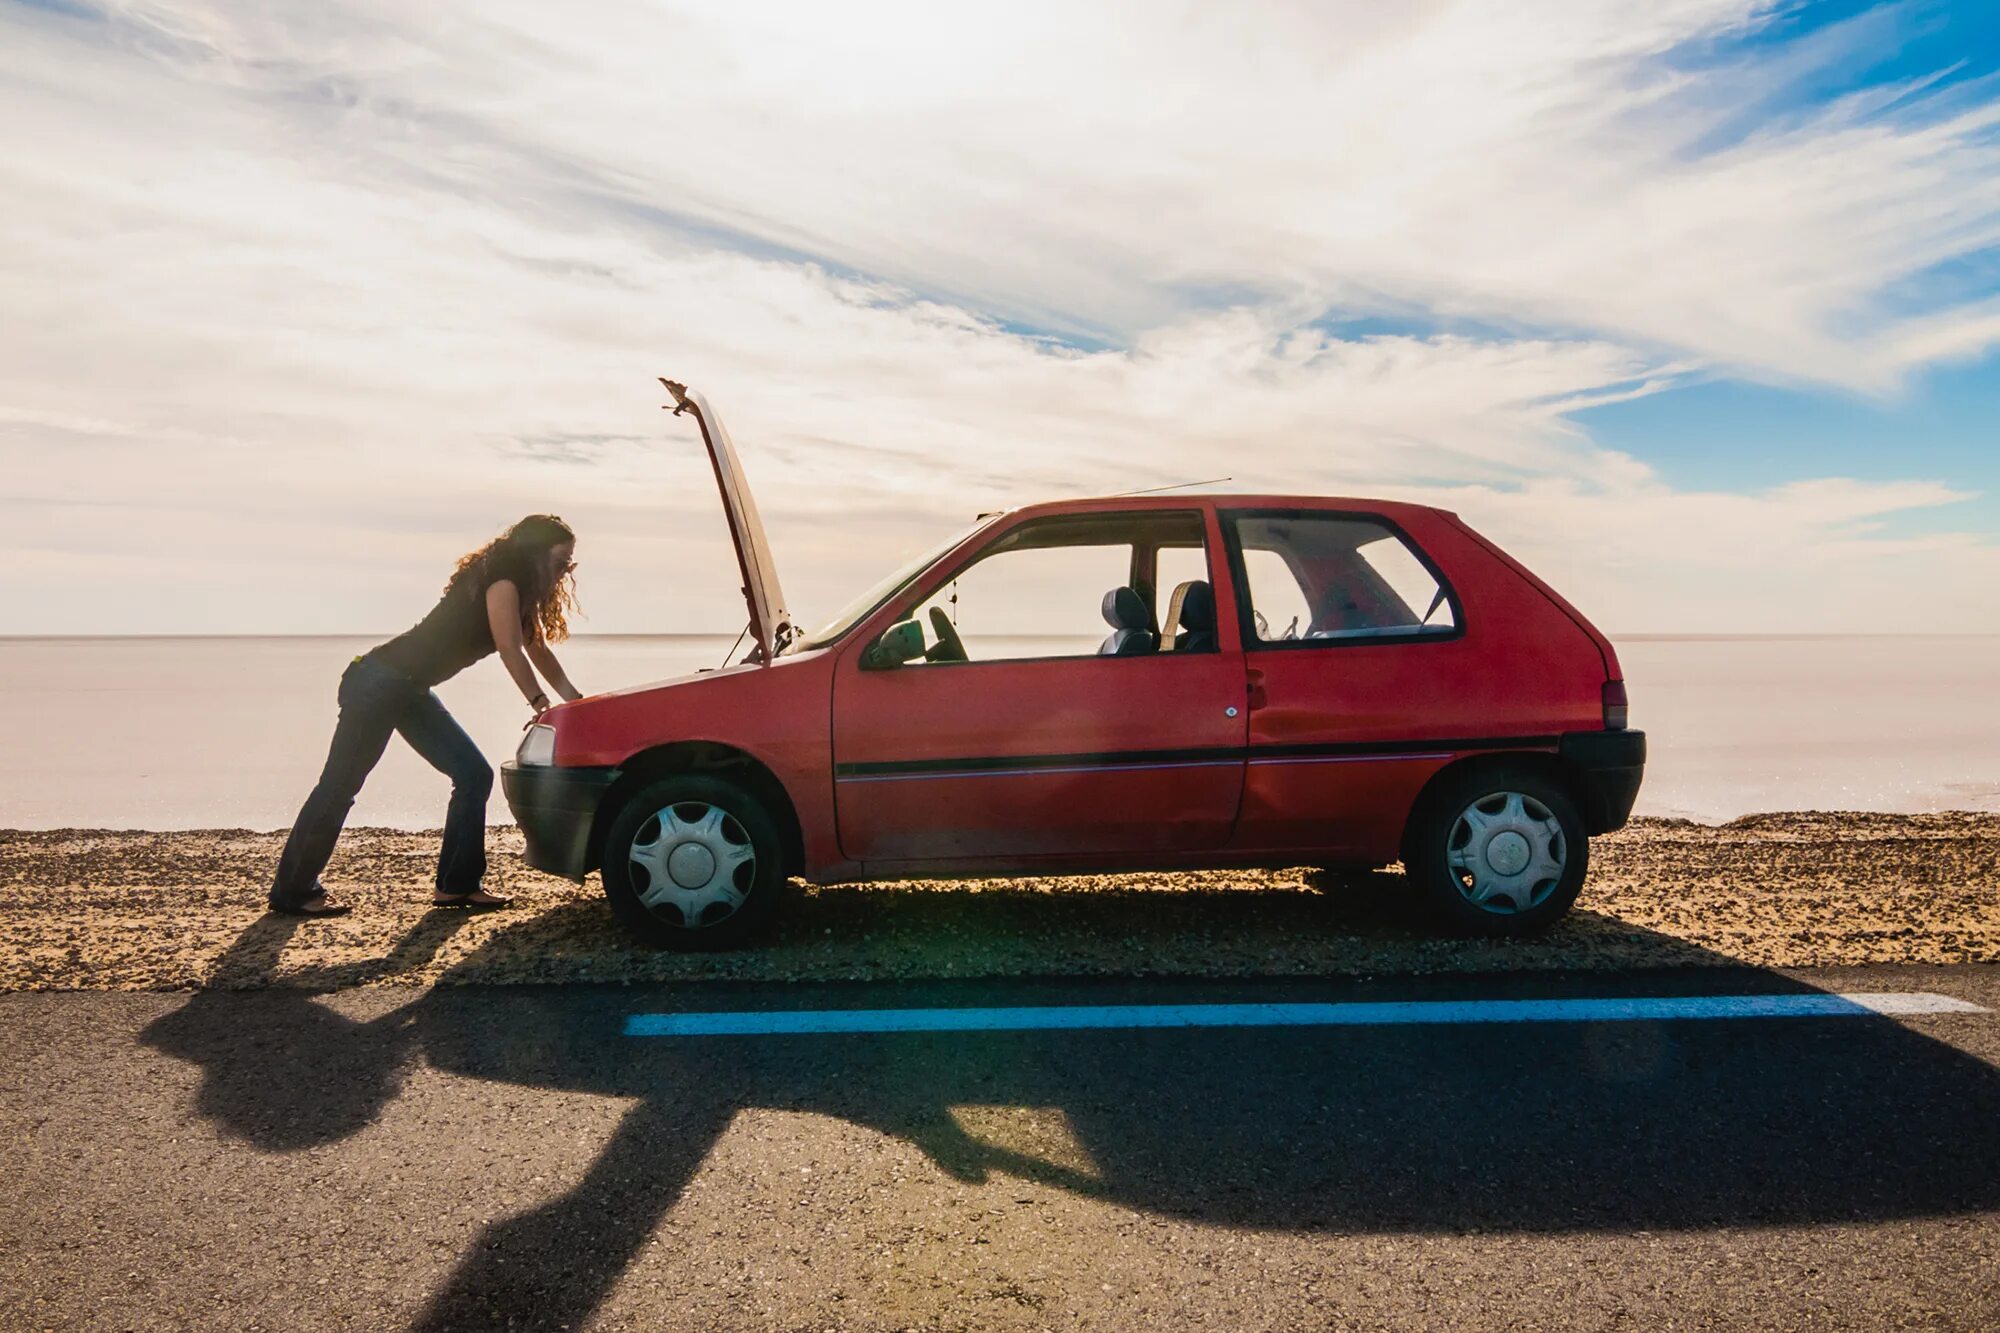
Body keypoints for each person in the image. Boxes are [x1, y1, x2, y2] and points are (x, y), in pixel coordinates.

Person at [267, 514, 584, 917]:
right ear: (536, 554)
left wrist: (574, 701)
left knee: (473, 775)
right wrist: (541, 703)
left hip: (407, 688)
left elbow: (537, 649)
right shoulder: (503, 582)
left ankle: (457, 886)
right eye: (562, 560)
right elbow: (509, 648)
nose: (566, 571)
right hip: (378, 682)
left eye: (570, 563)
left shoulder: (520, 593)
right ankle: (292, 890)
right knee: (339, 786)